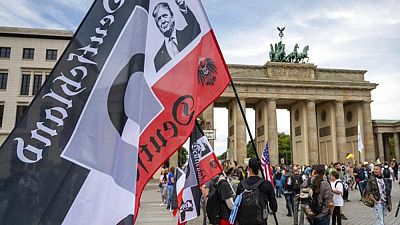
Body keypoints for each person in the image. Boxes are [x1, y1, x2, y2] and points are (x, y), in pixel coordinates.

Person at [152, 0, 201, 72]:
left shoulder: (187, 34)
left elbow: (194, 25)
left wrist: (182, 6)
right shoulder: (158, 59)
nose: (163, 21)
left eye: (165, 16)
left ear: (172, 17)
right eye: (159, 19)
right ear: (158, 26)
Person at [236, 158, 278, 225]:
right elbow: (274, 206)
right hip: (260, 220)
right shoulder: (267, 184)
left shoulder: (241, 184)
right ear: (259, 169)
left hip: (244, 220)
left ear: (248, 168)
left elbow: (237, 203)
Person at [216, 160, 235, 225]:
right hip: (227, 218)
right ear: (231, 170)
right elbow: (230, 205)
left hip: (224, 216)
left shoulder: (221, 181)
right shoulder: (224, 184)